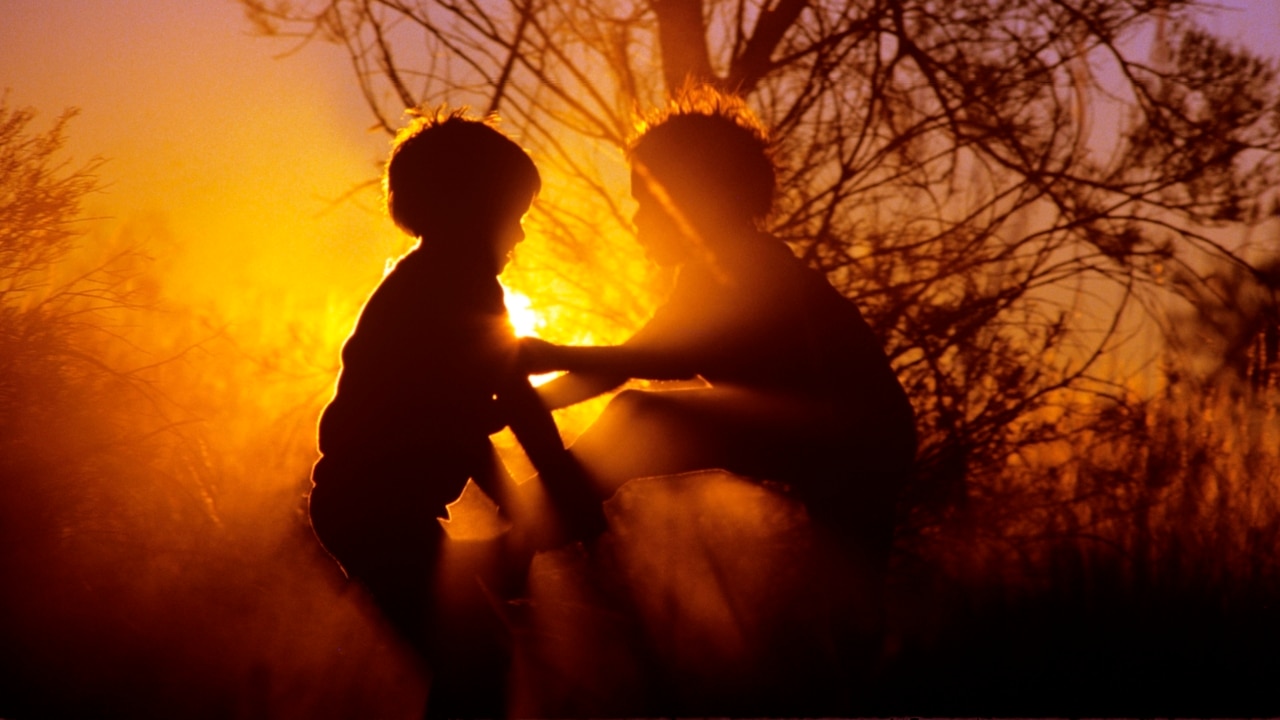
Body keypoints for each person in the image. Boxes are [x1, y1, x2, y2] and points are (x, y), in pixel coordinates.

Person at [520, 89, 917, 705]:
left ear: (694, 196)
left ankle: (517, 532)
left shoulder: (746, 267)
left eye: (647, 200)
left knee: (642, 418)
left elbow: (651, 363)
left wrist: (550, 357)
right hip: (841, 436)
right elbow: (626, 363)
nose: (637, 218)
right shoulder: (711, 271)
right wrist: (517, 403)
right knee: (848, 611)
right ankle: (522, 526)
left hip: (852, 436)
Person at [308, 109, 599, 719]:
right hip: (370, 510)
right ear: (466, 208)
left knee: (479, 654)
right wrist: (557, 486)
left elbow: (463, 425)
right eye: (513, 215)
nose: (519, 236)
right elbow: (513, 396)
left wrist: (524, 501)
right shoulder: (454, 286)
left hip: (372, 509)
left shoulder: (431, 284)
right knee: (477, 657)